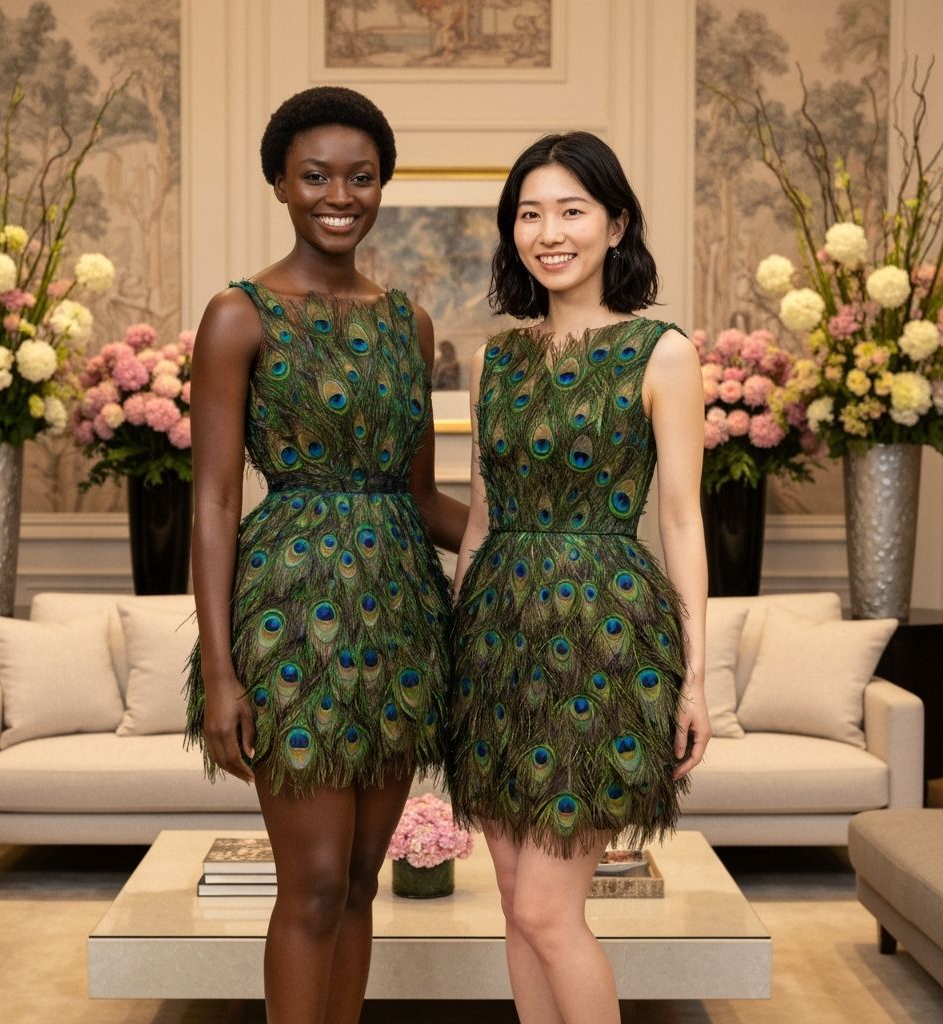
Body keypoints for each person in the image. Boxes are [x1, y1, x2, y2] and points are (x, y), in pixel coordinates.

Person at [185, 86, 466, 1024]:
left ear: (382, 184)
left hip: (398, 623)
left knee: (356, 882)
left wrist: (542, 536)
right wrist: (222, 673)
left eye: (361, 176)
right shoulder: (239, 316)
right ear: (280, 183)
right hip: (289, 620)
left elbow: (424, 497)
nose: (339, 194)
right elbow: (217, 499)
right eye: (315, 176)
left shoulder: (410, 325)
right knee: (307, 883)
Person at [448, 131, 711, 1024]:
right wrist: (454, 649)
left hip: (605, 640)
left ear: (615, 224)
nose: (548, 232)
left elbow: (680, 519)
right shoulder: (496, 361)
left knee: (545, 909)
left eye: (571, 210)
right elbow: (481, 517)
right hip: (496, 640)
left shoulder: (662, 353)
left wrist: (696, 679)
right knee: (515, 908)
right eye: (529, 213)